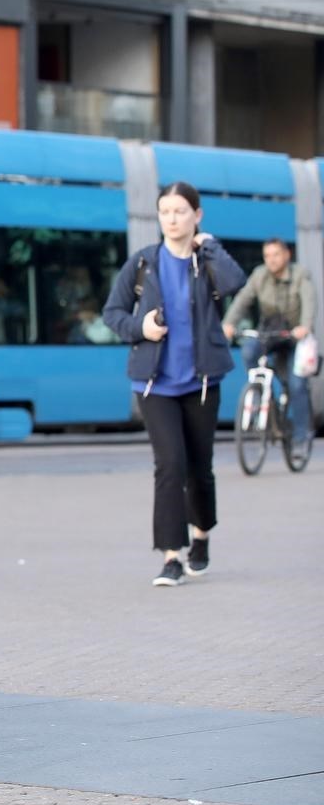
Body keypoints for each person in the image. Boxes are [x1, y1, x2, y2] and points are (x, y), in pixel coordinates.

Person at [102, 182, 246, 588]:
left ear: (197, 215)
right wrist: (140, 328)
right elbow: (112, 312)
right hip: (155, 384)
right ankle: (170, 556)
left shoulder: (207, 261)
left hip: (201, 382)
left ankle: (201, 535)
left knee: (200, 468)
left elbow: (236, 283)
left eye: (180, 211)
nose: (172, 218)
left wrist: (211, 245)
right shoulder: (144, 263)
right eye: (165, 211)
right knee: (170, 466)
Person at [221, 238, 316, 446]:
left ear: (286, 255)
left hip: (294, 337)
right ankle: (260, 390)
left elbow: (309, 302)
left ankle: (302, 435)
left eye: (276, 255)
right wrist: (228, 324)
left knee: (297, 384)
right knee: (248, 350)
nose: (271, 260)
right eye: (267, 256)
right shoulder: (259, 275)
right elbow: (242, 300)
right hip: (270, 334)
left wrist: (305, 326)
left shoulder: (300, 275)